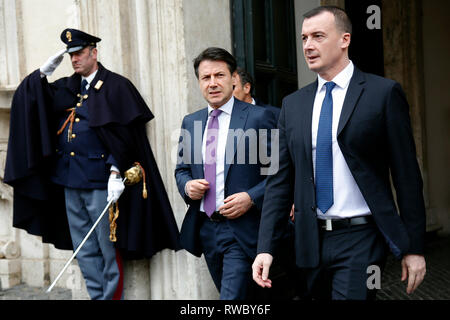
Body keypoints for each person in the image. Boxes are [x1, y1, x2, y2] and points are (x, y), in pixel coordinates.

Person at [252, 6, 426, 300]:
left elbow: (407, 176)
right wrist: (265, 248)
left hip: (361, 238)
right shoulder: (293, 105)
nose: (308, 45)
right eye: (304, 37)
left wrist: (414, 247)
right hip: (308, 239)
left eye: (318, 36)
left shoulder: (382, 94)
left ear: (344, 39)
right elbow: (279, 183)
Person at [4, 28, 180, 300]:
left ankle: (110, 297)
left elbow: (126, 135)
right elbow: (31, 101)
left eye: (79, 54)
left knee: (107, 247)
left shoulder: (116, 85)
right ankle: (97, 296)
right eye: (71, 55)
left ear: (93, 53)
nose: (74, 60)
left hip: (100, 181)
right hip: (68, 181)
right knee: (82, 247)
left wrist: (114, 170)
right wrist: (42, 73)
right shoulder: (68, 86)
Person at [174, 47, 276, 300]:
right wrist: (187, 186)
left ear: (233, 79)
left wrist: (251, 197)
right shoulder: (192, 121)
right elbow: (182, 170)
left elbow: (280, 174)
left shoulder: (258, 117)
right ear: (199, 82)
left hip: (242, 230)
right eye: (205, 77)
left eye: (219, 75)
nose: (213, 83)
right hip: (207, 229)